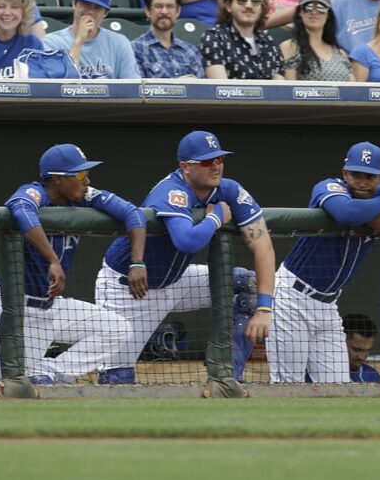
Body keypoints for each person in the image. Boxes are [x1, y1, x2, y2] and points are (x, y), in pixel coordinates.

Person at [89, 130, 275, 384]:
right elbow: (186, 241)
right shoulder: (171, 190)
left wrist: (265, 307)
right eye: (207, 161)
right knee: (117, 378)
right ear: (185, 167)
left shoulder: (228, 189)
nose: (216, 166)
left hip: (177, 280)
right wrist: (215, 217)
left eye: (220, 159)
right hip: (131, 289)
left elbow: (263, 246)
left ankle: (228, 377)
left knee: (249, 285)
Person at [0, 144, 145, 384]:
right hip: (13, 310)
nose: (87, 180)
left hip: (51, 307)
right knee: (15, 390)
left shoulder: (83, 197)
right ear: (58, 179)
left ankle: (49, 371)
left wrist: (137, 262)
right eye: (79, 175)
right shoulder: (33, 192)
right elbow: (21, 210)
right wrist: (52, 259)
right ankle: (36, 375)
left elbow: (133, 213)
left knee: (117, 328)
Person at [268, 142, 380, 384]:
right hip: (291, 296)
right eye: (356, 174)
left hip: (329, 304)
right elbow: (345, 213)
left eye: (370, 176)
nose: (363, 181)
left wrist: (367, 209)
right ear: (345, 173)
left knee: (338, 385)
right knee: (287, 385)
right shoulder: (329, 186)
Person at [43, 0, 140, 79]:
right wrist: (79, 41)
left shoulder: (120, 43)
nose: (90, 11)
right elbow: (61, 86)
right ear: (74, 4)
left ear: (105, 13)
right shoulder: (52, 42)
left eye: (97, 7)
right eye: (85, 4)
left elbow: (132, 88)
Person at [199, 0, 284, 80]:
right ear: (228, 6)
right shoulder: (214, 38)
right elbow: (220, 90)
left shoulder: (269, 42)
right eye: (242, 0)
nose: (249, 5)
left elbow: (280, 88)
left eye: (255, 1)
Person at [131, 0, 204, 78]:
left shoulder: (190, 51)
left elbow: (203, 91)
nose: (164, 11)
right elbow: (138, 90)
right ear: (148, 11)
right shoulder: (135, 49)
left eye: (170, 6)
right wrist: (178, 87)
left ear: (178, 11)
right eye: (158, 6)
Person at [280, 0, 351, 81]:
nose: (314, 12)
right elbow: (290, 90)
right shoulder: (290, 47)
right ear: (300, 12)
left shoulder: (340, 53)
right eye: (308, 7)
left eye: (321, 7)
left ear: (328, 14)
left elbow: (354, 89)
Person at [344, 313, 380, 383]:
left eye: (367, 350)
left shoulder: (372, 376)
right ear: (342, 342)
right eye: (356, 350)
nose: (362, 357)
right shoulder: (324, 373)